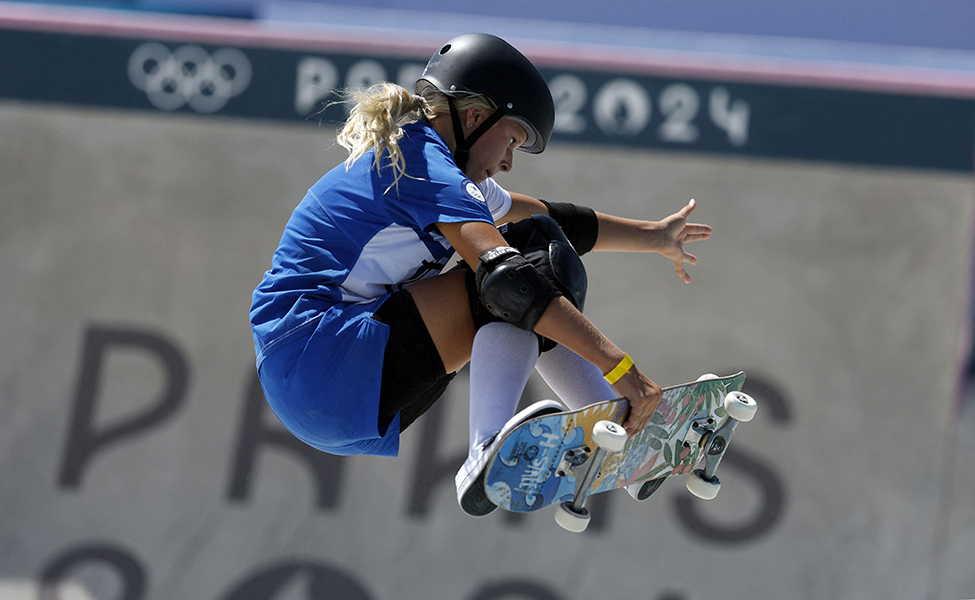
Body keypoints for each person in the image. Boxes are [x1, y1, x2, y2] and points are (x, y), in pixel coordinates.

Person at [250, 33, 712, 517]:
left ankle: (622, 443)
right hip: (320, 354)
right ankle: (486, 450)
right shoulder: (420, 163)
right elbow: (508, 278)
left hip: (333, 391)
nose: (509, 161)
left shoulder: (445, 175)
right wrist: (624, 370)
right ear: (474, 118)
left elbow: (561, 221)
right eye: (511, 139)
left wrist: (656, 236)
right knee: (521, 275)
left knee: (536, 243)